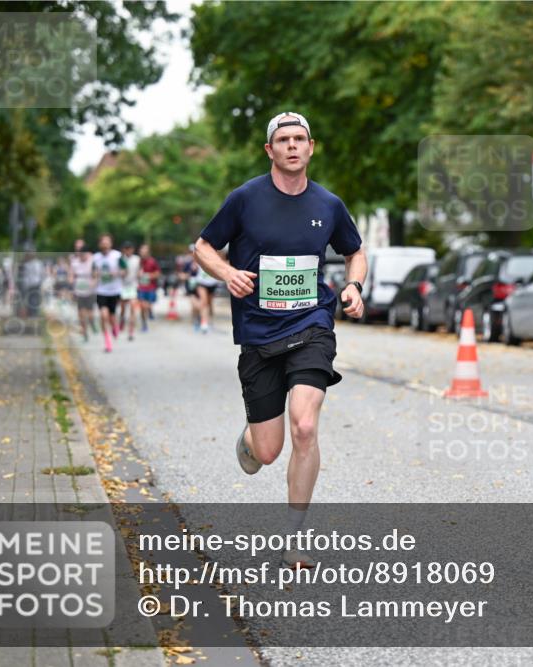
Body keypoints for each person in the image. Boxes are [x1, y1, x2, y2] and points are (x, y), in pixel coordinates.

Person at [193, 111, 367, 569]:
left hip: (311, 324)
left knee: (305, 426)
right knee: (268, 451)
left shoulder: (328, 205)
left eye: (300, 138)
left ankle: (294, 541)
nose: (292, 146)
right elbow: (202, 246)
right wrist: (228, 272)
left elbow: (356, 251)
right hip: (258, 333)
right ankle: (252, 438)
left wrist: (353, 287)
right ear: (270, 150)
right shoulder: (245, 199)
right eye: (283, 140)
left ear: (311, 147)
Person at [93, 233, 124, 353]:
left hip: (115, 290)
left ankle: (115, 327)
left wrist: (116, 273)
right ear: (99, 244)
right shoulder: (95, 258)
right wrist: (96, 275)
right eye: (103, 242)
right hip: (101, 291)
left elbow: (124, 270)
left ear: (111, 243)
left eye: (107, 242)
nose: (105, 244)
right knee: (103, 315)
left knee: (112, 316)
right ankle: (107, 342)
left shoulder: (118, 256)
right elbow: (93, 273)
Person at [70, 240, 97, 341]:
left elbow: (95, 275)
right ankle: (84, 334)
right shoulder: (74, 261)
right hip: (79, 291)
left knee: (90, 314)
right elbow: (71, 274)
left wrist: (93, 283)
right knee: (81, 314)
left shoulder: (92, 260)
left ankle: (92, 322)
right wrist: (71, 280)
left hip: (90, 291)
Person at [117, 241, 141, 341]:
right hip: (123, 286)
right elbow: (118, 272)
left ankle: (131, 331)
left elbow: (140, 270)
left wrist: (140, 275)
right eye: (126, 249)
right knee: (123, 308)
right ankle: (122, 320)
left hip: (133, 286)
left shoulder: (137, 259)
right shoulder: (121, 259)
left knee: (132, 307)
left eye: (129, 249)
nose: (128, 251)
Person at [137, 244, 160, 331]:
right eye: (142, 251)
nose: (143, 253)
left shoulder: (152, 261)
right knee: (143, 306)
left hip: (151, 287)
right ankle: (144, 323)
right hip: (141, 288)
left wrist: (148, 276)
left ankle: (149, 312)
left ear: (148, 252)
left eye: (145, 251)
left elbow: (158, 274)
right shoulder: (138, 261)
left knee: (148, 305)